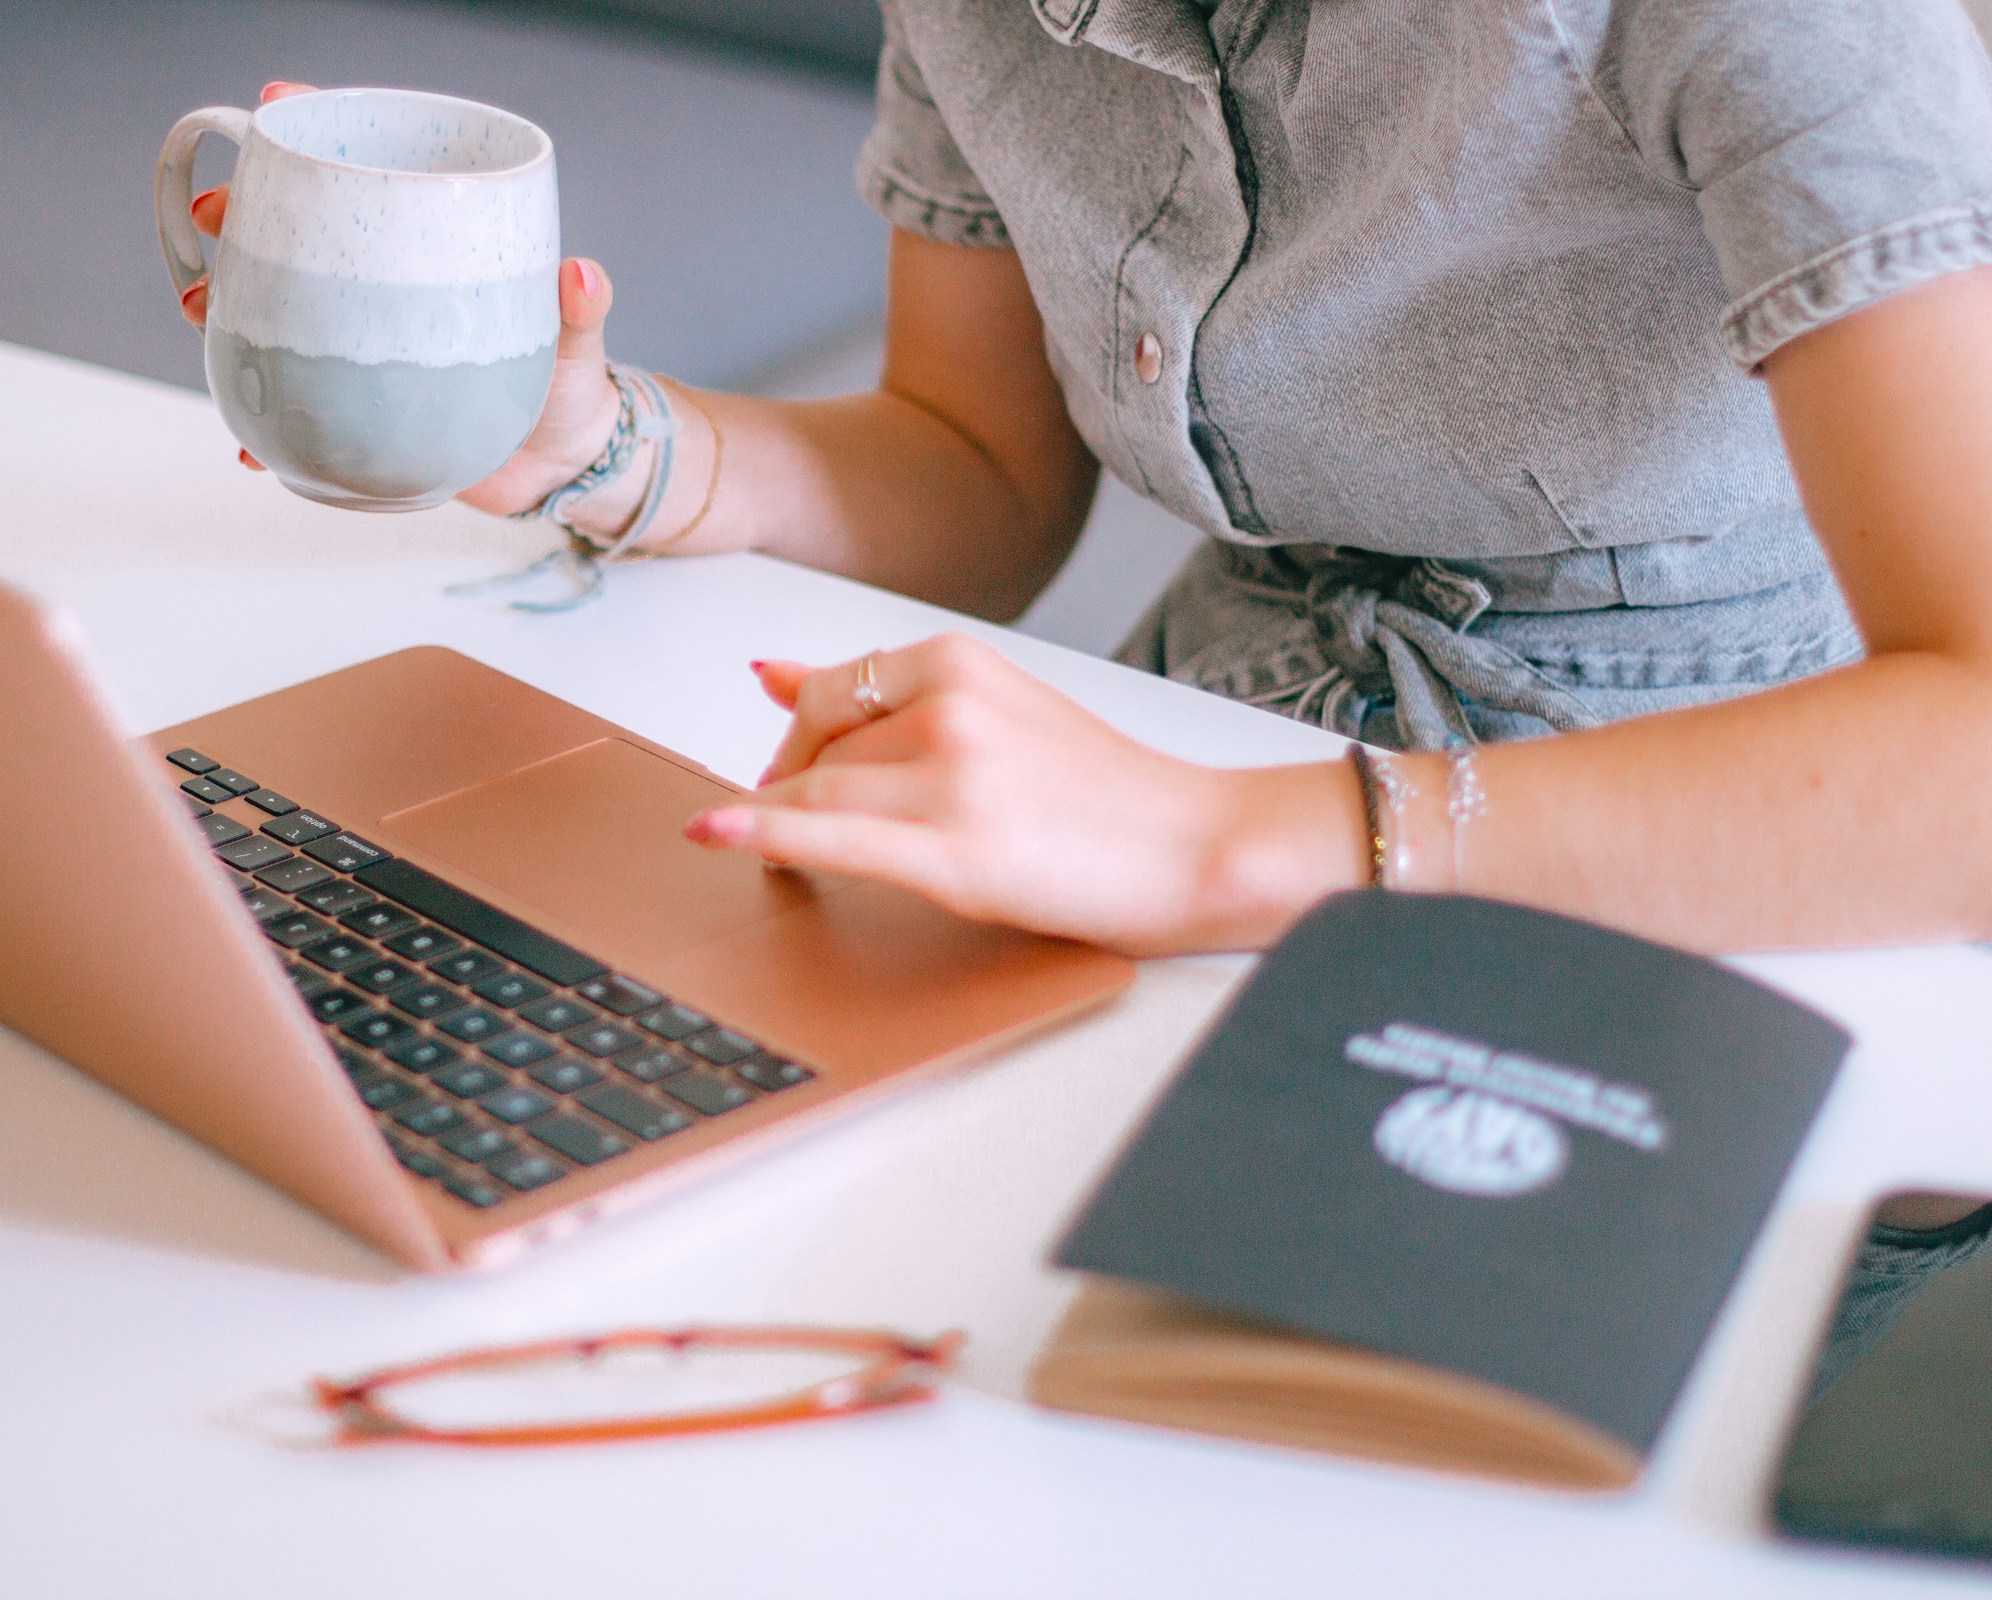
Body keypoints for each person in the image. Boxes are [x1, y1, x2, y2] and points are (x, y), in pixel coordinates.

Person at [178, 1, 1992, 975]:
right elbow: (975, 474)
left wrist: (1214, 846)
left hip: (1752, 855)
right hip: (1242, 722)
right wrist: (603, 449)